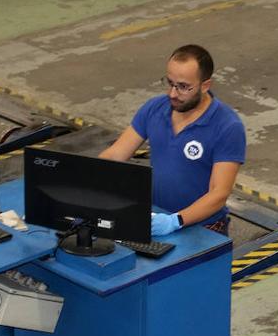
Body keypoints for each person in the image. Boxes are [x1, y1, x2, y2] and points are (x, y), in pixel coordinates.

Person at [100, 44, 246, 238]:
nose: (173, 94)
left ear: (205, 85)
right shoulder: (155, 109)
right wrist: (89, 181)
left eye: (184, 87)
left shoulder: (227, 126)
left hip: (202, 228)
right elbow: (115, 154)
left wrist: (175, 221)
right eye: (170, 83)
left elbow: (218, 194)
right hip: (156, 219)